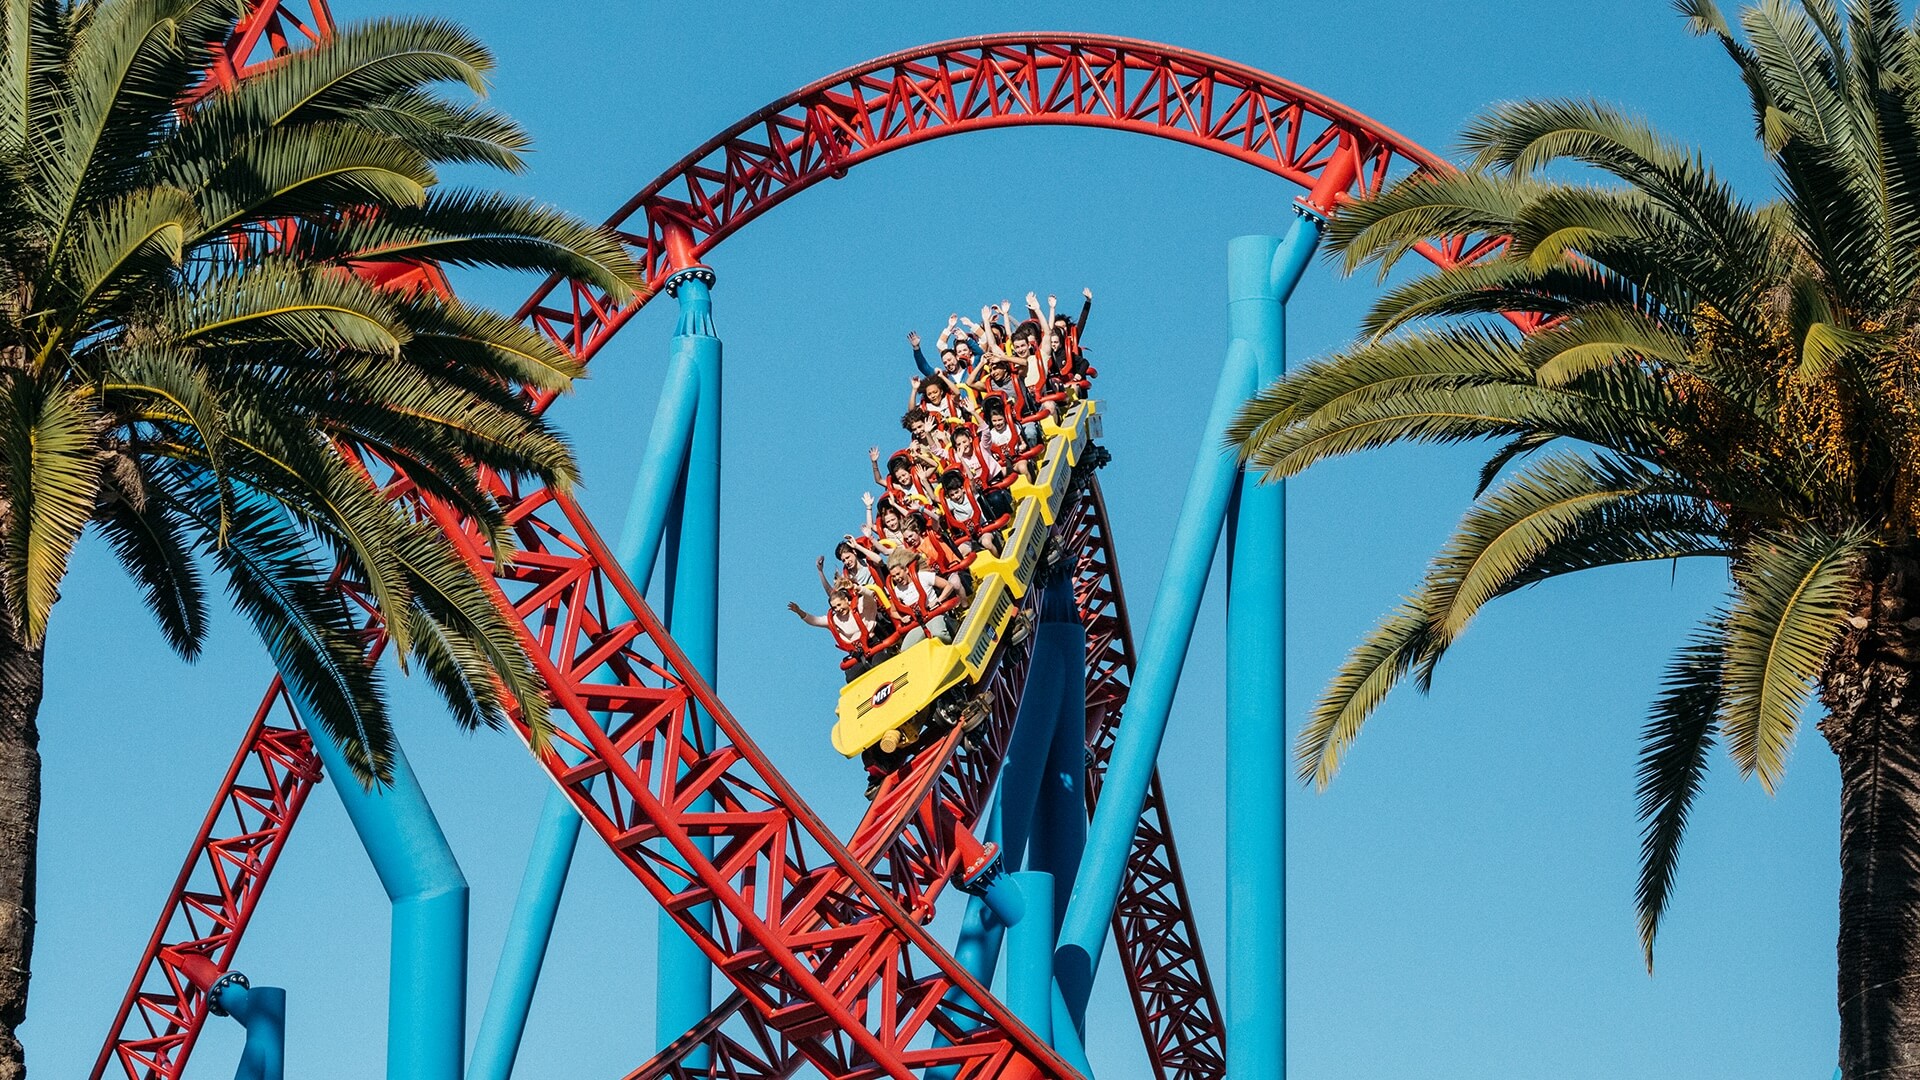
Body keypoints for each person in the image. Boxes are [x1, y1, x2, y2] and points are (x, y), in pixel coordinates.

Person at [788, 588, 896, 681]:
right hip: (858, 654)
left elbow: (870, 596)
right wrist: (799, 611)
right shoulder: (835, 620)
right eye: (834, 608)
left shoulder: (860, 608)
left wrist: (857, 588)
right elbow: (815, 620)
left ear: (846, 600)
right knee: (851, 676)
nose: (838, 609)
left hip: (874, 645)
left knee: (878, 664)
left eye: (839, 605)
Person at [880, 548, 960, 646]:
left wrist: (939, 600)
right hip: (918, 622)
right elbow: (893, 612)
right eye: (894, 576)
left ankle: (952, 630)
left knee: (939, 634)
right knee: (906, 648)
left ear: (906, 570)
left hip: (934, 614)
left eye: (898, 574)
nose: (897, 578)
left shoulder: (922, 576)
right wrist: (902, 618)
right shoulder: (897, 590)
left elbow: (949, 585)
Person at [938, 469, 1004, 556]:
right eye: (952, 495)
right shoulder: (952, 503)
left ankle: (999, 559)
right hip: (967, 536)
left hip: (983, 530)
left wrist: (961, 458)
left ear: (962, 488)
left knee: (987, 543)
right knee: (959, 553)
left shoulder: (970, 494)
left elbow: (971, 479)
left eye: (957, 492)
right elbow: (936, 499)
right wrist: (924, 480)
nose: (956, 496)